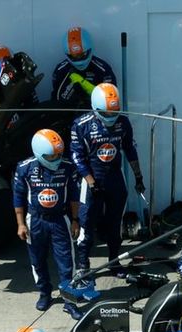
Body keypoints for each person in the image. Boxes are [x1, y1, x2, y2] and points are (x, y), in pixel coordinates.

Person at [70, 83, 143, 274]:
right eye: (108, 113)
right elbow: (76, 157)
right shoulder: (81, 125)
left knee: (115, 223)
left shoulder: (123, 123)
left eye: (115, 112)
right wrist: (91, 181)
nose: (112, 117)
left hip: (115, 178)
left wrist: (138, 176)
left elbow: (130, 149)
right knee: (86, 224)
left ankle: (114, 260)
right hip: (91, 180)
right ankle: (83, 266)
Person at [12, 129, 81, 316]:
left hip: (60, 220)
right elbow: (18, 198)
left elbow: (74, 196)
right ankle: (44, 293)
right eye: (51, 156)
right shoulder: (24, 168)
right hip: (35, 220)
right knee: (37, 260)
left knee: (67, 263)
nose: (57, 158)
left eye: (59, 154)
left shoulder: (68, 167)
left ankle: (70, 301)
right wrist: (20, 224)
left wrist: (75, 220)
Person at [52, 26, 117, 108]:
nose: (78, 59)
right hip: (68, 116)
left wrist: (83, 83)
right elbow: (56, 100)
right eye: (74, 56)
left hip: (95, 115)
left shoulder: (103, 69)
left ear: (89, 50)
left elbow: (111, 100)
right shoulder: (61, 70)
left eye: (82, 55)